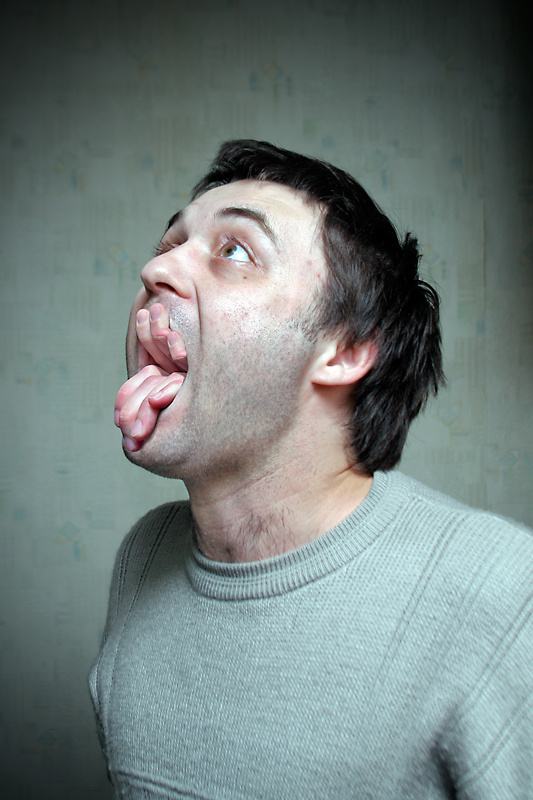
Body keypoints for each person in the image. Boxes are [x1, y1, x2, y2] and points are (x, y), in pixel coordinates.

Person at [90, 140, 532, 799]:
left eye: (234, 250)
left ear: (344, 349)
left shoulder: (504, 594)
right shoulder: (143, 558)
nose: (157, 267)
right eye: (170, 242)